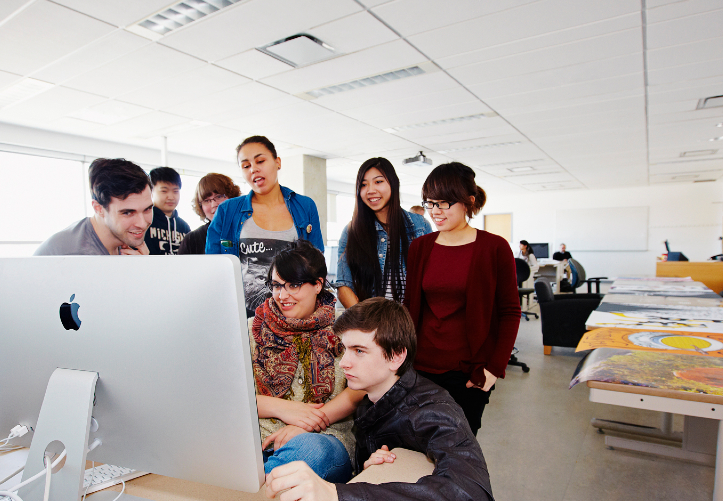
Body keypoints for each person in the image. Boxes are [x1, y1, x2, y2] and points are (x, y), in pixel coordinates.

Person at [265, 298, 496, 501]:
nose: (345, 363)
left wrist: (338, 499)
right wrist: (371, 471)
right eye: (344, 349)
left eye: (359, 351)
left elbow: (474, 499)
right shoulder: (373, 400)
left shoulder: (434, 411)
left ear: (396, 356)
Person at [405, 162, 520, 436]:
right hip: (421, 368)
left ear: (468, 202)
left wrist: (494, 370)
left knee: (459, 451)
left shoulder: (494, 248)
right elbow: (410, 308)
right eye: (430, 202)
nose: (435, 211)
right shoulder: (421, 247)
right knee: (418, 446)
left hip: (470, 373)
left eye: (445, 203)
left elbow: (510, 312)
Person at [252, 241, 360, 483]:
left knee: (311, 453)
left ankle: (258, 486)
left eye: (294, 285)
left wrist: (307, 425)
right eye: (277, 286)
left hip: (325, 436)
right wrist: (282, 408)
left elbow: (361, 389)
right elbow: (227, 395)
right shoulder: (254, 328)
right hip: (258, 438)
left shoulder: (347, 327)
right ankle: (263, 482)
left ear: (318, 284)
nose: (282, 295)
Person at [206, 136, 323, 316]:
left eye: (260, 161)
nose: (254, 169)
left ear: (277, 162)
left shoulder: (304, 206)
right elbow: (213, 266)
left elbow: (316, 262)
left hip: (292, 313)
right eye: (246, 166)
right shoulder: (227, 210)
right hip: (242, 313)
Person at [336, 158, 432, 308]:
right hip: (370, 324)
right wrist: (367, 324)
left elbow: (429, 282)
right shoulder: (352, 231)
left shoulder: (420, 226)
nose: (370, 190)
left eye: (378, 182)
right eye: (363, 184)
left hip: (411, 324)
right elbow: (343, 285)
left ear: (393, 183)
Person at [34, 158, 152, 256]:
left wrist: (141, 267)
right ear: (98, 208)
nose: (141, 224)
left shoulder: (127, 240)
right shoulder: (74, 255)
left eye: (147, 209)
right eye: (127, 213)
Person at [177, 173, 241, 255]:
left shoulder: (247, 230)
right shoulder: (192, 239)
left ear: (232, 197)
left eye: (219, 196)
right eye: (206, 201)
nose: (214, 205)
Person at [144, 167, 190, 255]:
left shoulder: (184, 227)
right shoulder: (144, 222)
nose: (171, 197)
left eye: (175, 191)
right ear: (151, 191)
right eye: (164, 191)